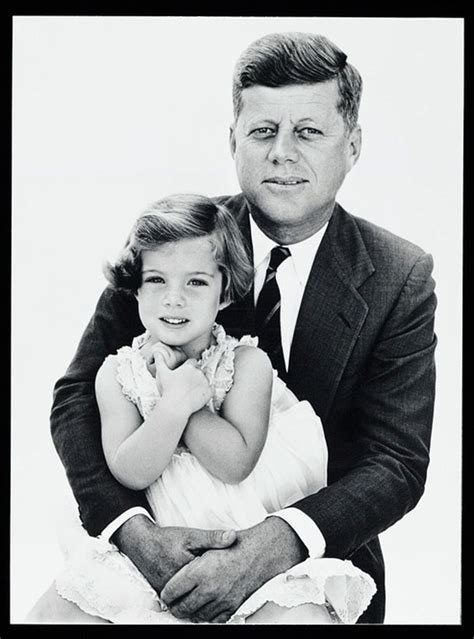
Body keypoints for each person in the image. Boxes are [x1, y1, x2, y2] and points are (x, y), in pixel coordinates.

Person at [28, 31, 436, 624]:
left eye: (309, 131)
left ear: (353, 145)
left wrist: (276, 544)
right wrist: (138, 538)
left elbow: (395, 459)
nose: (282, 152)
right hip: (159, 549)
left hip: (310, 560)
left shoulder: (400, 275)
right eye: (263, 131)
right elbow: (75, 401)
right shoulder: (175, 247)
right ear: (234, 141)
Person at [45, 194, 376, 624]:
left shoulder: (245, 365)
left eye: (196, 282)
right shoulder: (118, 374)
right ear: (135, 288)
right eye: (157, 281)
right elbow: (130, 469)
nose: (174, 299)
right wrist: (172, 406)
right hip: (156, 551)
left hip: (247, 546)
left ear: (224, 292)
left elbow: (236, 462)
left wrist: (194, 406)